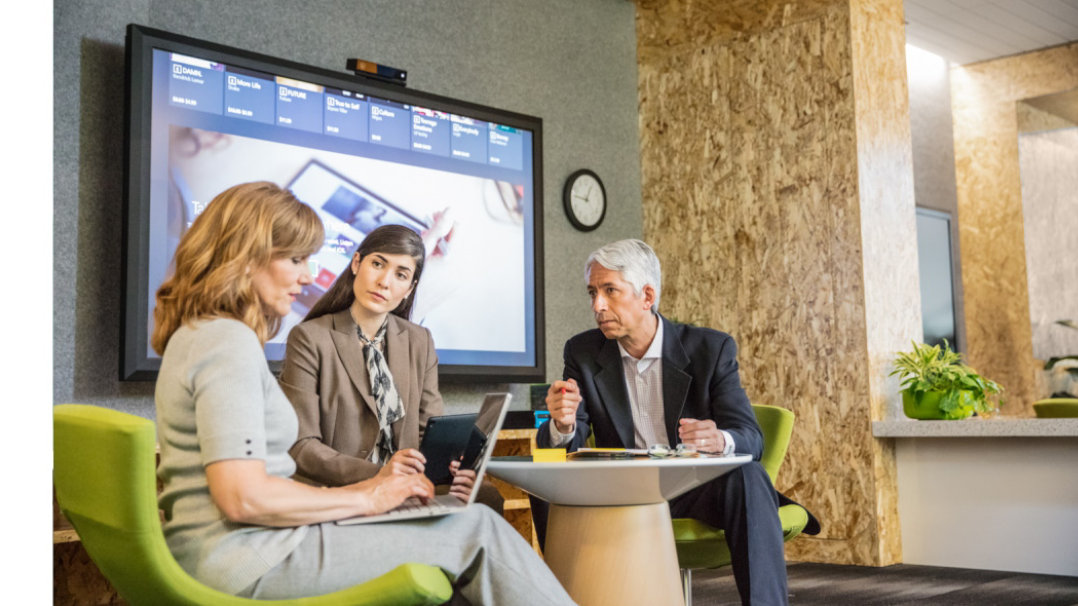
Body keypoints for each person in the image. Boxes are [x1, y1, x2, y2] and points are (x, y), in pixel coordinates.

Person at [152, 181, 573, 604]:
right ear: (246, 255)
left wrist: (388, 489)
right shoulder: (228, 342)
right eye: (296, 259)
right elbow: (242, 496)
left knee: (467, 526)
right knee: (478, 530)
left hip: (249, 545)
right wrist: (370, 494)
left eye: (402, 274)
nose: (308, 275)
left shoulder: (203, 335)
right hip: (248, 558)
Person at [536, 239, 819, 606]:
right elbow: (566, 448)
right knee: (545, 485)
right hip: (622, 491)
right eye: (592, 292)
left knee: (748, 475)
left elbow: (750, 438)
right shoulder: (583, 352)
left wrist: (719, 439)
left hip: (691, 486)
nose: (597, 305)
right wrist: (563, 424)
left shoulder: (710, 349)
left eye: (610, 291)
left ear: (647, 295)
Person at [279, 224, 503, 512]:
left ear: (410, 289)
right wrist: (380, 474)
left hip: (406, 487)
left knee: (485, 496)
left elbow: (429, 434)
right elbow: (301, 446)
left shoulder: (419, 340)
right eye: (377, 264)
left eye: (401, 274)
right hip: (345, 489)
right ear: (357, 263)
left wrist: (453, 467)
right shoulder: (310, 338)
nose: (385, 281)